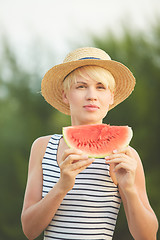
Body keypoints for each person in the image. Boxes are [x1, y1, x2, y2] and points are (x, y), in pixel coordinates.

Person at [21, 47, 158, 240]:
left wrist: (128, 189)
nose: (91, 95)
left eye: (101, 87)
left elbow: (148, 237)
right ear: (65, 95)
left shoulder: (125, 155)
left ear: (111, 97)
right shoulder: (43, 148)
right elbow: (29, 230)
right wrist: (62, 186)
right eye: (81, 86)